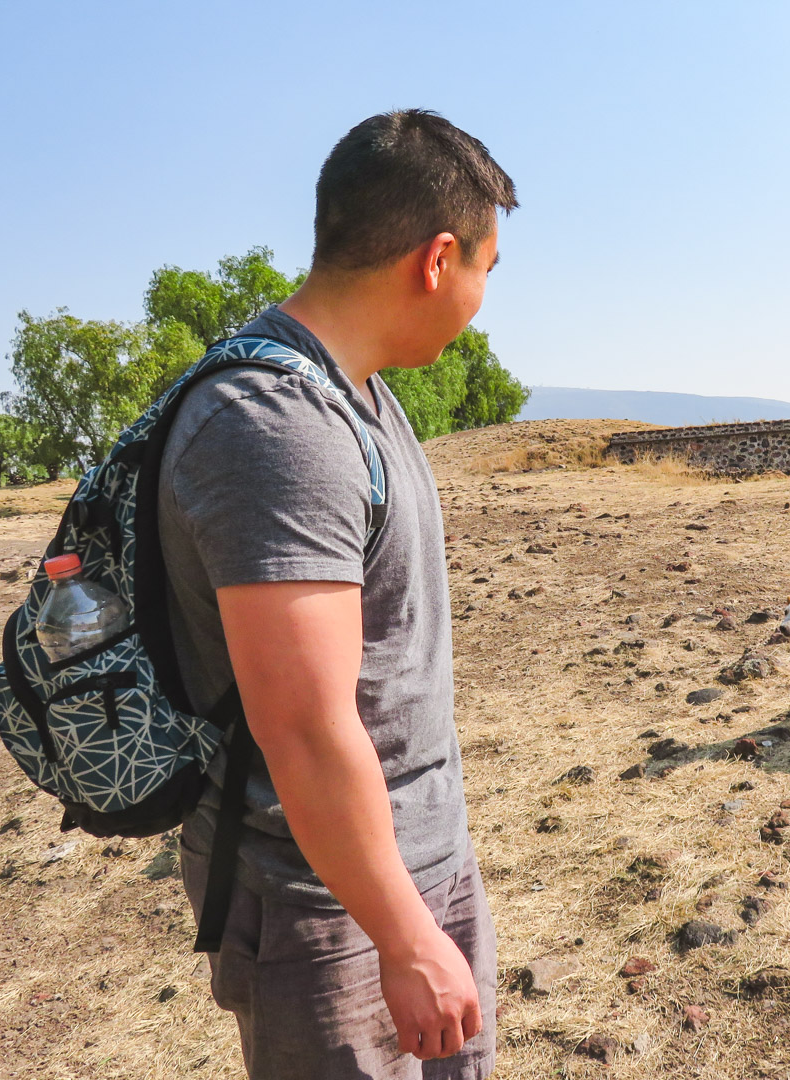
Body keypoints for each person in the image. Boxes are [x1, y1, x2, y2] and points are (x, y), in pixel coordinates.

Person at [158, 109, 516, 1079]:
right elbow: (306, 727)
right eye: (490, 268)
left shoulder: (355, 393)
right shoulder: (275, 428)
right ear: (440, 259)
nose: (487, 296)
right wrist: (403, 939)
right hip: (325, 902)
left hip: (403, 866)